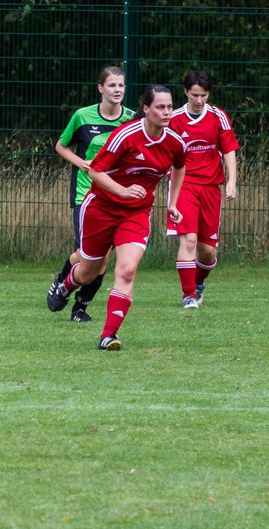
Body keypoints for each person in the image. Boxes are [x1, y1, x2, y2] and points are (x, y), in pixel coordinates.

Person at [47, 85, 187, 350]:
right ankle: (66, 284)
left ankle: (108, 335)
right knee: (88, 271)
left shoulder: (174, 142)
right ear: (146, 109)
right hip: (100, 208)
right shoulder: (126, 135)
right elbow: (96, 171)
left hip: (136, 212)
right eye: (160, 106)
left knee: (127, 269)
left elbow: (180, 167)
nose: (167, 112)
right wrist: (123, 191)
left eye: (169, 106)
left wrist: (173, 203)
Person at [50, 66, 135, 323]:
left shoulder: (131, 119)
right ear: (100, 88)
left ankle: (80, 308)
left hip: (113, 197)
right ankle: (61, 282)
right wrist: (80, 163)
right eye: (111, 85)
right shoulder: (82, 116)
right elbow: (61, 146)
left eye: (121, 85)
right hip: (84, 194)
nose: (117, 90)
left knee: (104, 259)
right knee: (87, 255)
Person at [167, 71, 240, 309]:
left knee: (208, 252)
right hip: (184, 185)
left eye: (204, 95)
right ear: (186, 92)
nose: (199, 100)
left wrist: (232, 180)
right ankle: (188, 294)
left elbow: (228, 149)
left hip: (211, 187)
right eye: (195, 95)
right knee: (188, 239)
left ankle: (198, 282)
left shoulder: (219, 117)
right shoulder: (174, 118)